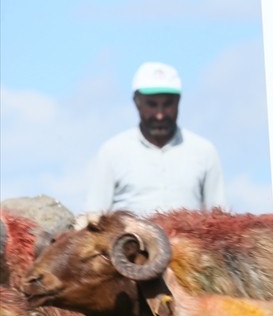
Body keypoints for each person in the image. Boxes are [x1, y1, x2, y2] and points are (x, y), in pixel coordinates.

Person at [85, 61, 226, 214]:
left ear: (178, 102)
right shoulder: (112, 152)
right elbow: (95, 217)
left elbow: (219, 216)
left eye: (167, 104)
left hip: (188, 238)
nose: (160, 114)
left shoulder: (204, 152)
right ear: (137, 103)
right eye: (152, 105)